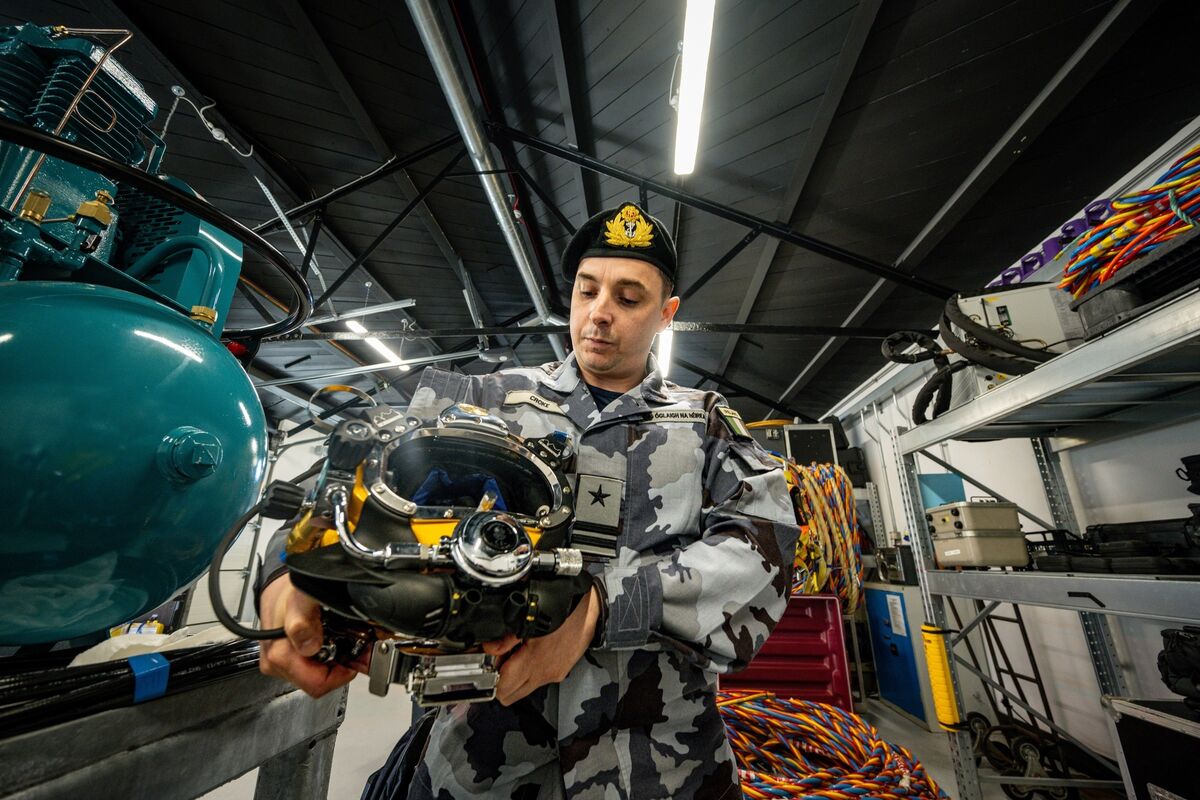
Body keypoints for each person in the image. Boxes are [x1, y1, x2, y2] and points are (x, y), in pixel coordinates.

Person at [257, 201, 799, 799]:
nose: (599, 314)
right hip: (483, 764)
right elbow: (343, 483)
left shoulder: (705, 423)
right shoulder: (484, 399)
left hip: (664, 764)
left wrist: (600, 606)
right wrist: (289, 578)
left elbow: (764, 547)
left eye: (628, 298)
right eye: (587, 291)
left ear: (667, 314)